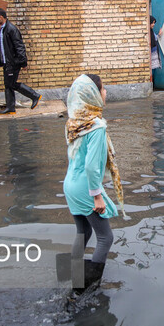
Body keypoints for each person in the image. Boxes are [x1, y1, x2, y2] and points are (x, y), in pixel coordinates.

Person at [63, 74, 124, 295]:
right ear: (92, 94)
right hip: (85, 187)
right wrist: (97, 195)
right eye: (102, 89)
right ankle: (86, 290)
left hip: (69, 184)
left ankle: (71, 277)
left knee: (83, 232)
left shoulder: (74, 121)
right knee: (106, 237)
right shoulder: (96, 126)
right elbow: (91, 167)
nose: (105, 92)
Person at [0, 8, 41, 115]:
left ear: (1, 17)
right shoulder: (3, 29)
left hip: (13, 62)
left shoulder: (11, 29)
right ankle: (10, 107)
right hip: (6, 62)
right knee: (8, 84)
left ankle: (34, 96)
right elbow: (5, 47)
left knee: (11, 84)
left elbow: (19, 46)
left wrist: (23, 62)